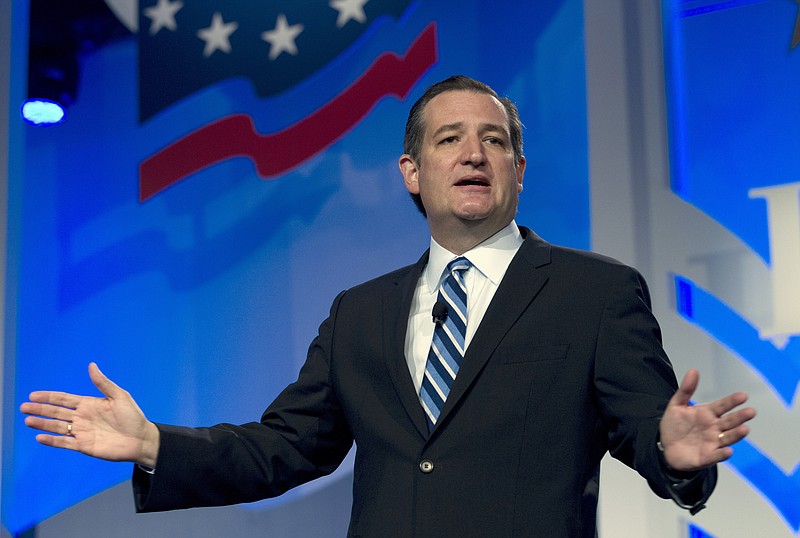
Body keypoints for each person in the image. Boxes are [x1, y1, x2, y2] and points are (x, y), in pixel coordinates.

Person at [21, 76, 755, 537]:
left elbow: (646, 431)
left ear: (518, 172)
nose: (474, 153)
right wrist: (155, 444)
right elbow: (284, 448)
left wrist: (675, 456)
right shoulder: (359, 315)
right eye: (450, 139)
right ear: (412, 172)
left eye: (494, 141)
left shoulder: (594, 293)